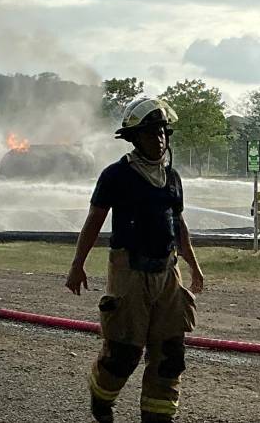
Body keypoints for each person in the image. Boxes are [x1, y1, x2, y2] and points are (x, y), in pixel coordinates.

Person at [65, 96, 204, 423]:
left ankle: (157, 416)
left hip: (167, 274)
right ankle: (101, 397)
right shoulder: (117, 175)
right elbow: (94, 220)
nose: (159, 139)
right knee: (124, 353)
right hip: (129, 272)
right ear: (134, 138)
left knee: (170, 354)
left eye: (162, 132)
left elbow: (178, 224)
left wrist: (193, 265)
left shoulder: (172, 178)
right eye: (150, 133)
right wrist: (77, 265)